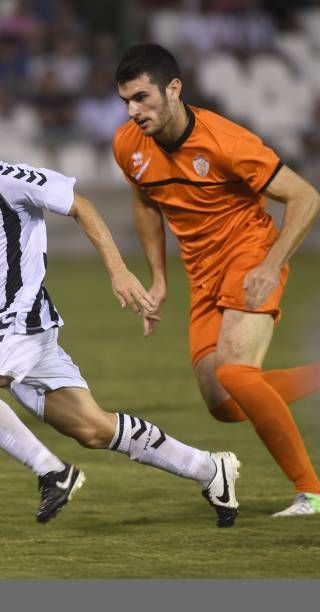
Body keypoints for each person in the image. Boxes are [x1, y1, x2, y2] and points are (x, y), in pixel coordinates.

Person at [0, 79, 241, 526]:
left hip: (23, 321)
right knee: (93, 428)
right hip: (5, 333)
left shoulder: (7, 180)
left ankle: (52, 472)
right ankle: (210, 467)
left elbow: (82, 206)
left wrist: (118, 271)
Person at [112, 44, 320, 517]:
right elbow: (145, 202)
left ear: (174, 89)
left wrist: (270, 265)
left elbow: (305, 197)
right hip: (202, 270)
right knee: (224, 402)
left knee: (235, 371)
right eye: (125, 101)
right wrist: (158, 278)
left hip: (249, 251)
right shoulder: (128, 145)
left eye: (142, 98)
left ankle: (312, 492)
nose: (133, 111)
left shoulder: (226, 141)